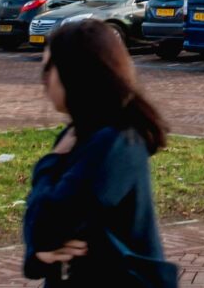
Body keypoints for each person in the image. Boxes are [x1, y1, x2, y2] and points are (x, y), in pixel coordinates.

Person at [24, 18, 177, 285]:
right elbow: (41, 224)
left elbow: (47, 223)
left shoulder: (118, 142)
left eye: (50, 66)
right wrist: (40, 253)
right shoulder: (79, 135)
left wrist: (50, 162)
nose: (43, 79)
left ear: (77, 72)